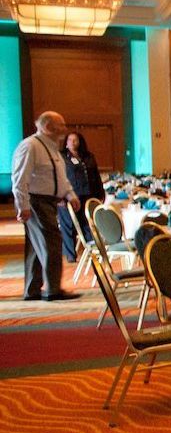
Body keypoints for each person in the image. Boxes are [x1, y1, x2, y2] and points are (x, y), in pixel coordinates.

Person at [12, 111, 81, 301]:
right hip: (36, 202)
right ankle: (53, 289)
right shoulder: (30, 146)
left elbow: (59, 178)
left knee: (36, 247)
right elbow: (19, 179)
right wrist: (23, 206)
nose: (65, 129)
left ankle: (32, 290)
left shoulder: (51, 147)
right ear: (48, 127)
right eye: (61, 125)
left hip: (48, 202)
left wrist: (70, 194)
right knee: (51, 243)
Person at [59, 131, 104, 263]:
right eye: (70, 140)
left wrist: (100, 193)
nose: (72, 142)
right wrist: (59, 196)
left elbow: (96, 175)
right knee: (69, 225)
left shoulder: (88, 156)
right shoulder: (62, 157)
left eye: (75, 140)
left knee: (88, 223)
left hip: (88, 194)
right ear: (66, 143)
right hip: (69, 196)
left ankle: (92, 251)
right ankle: (71, 256)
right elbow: (58, 177)